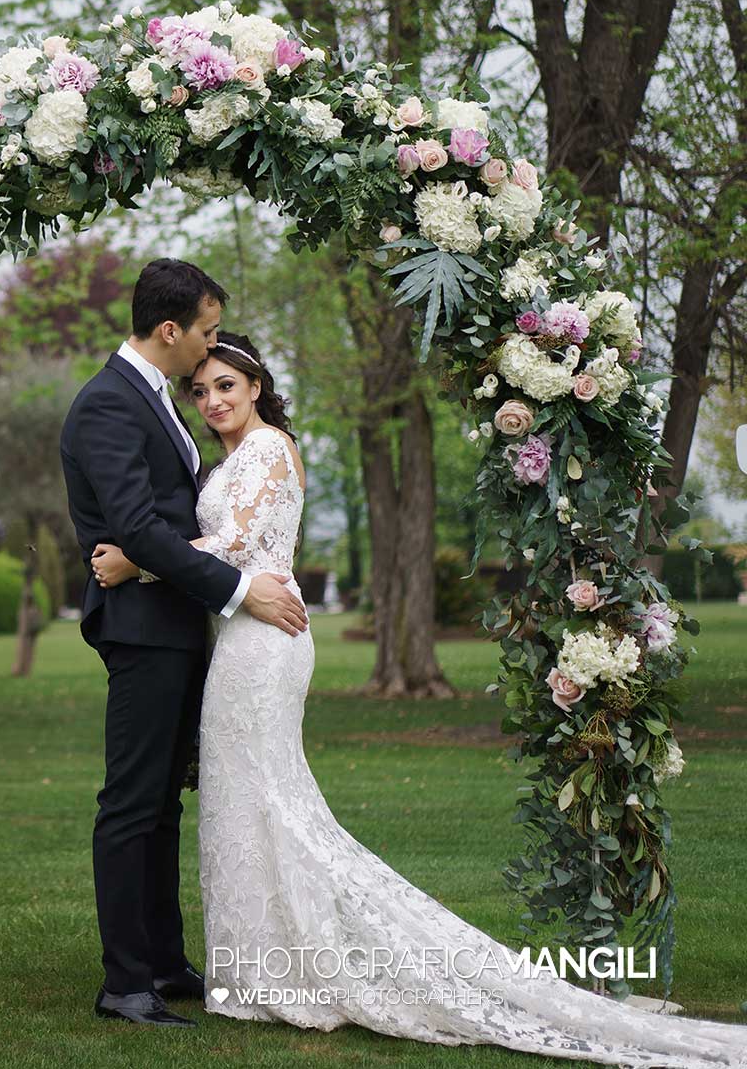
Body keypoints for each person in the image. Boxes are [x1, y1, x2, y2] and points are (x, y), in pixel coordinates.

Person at [89, 332, 747, 1065]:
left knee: (269, 802)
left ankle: (298, 969)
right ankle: (258, 968)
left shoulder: (270, 447)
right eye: (202, 391)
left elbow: (238, 545)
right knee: (246, 805)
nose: (212, 401)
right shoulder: (234, 457)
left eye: (226, 387)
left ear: (256, 386)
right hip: (241, 637)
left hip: (263, 641)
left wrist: (137, 562)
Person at [58, 259, 308, 1029]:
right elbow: (134, 526)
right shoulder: (109, 403)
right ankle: (125, 983)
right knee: (131, 805)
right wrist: (235, 591)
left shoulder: (153, 399)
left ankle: (164, 960)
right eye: (203, 332)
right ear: (171, 329)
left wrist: (165, 568)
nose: (208, 351)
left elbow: (170, 524)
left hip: (181, 628)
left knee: (163, 805)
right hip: (143, 631)